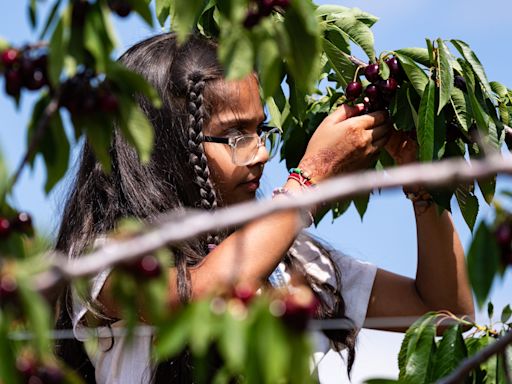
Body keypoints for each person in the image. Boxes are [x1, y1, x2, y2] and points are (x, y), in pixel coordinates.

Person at [54, 33, 475, 383]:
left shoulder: (301, 263)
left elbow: (446, 314)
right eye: (236, 135)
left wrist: (423, 187)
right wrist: (312, 177)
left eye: (261, 131)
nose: (261, 154)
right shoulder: (105, 260)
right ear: (166, 148)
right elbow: (199, 293)